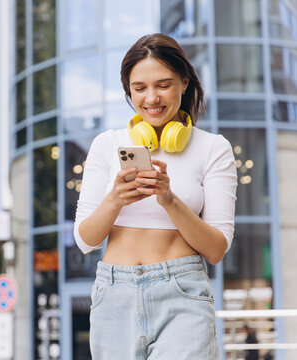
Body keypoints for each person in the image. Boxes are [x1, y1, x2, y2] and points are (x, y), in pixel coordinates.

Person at [74, 33, 237, 359]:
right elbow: (85, 239)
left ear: (184, 82)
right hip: (114, 293)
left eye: (163, 85)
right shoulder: (107, 145)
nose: (152, 98)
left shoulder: (213, 148)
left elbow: (216, 249)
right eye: (140, 88)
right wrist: (115, 200)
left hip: (182, 292)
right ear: (128, 92)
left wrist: (169, 199)